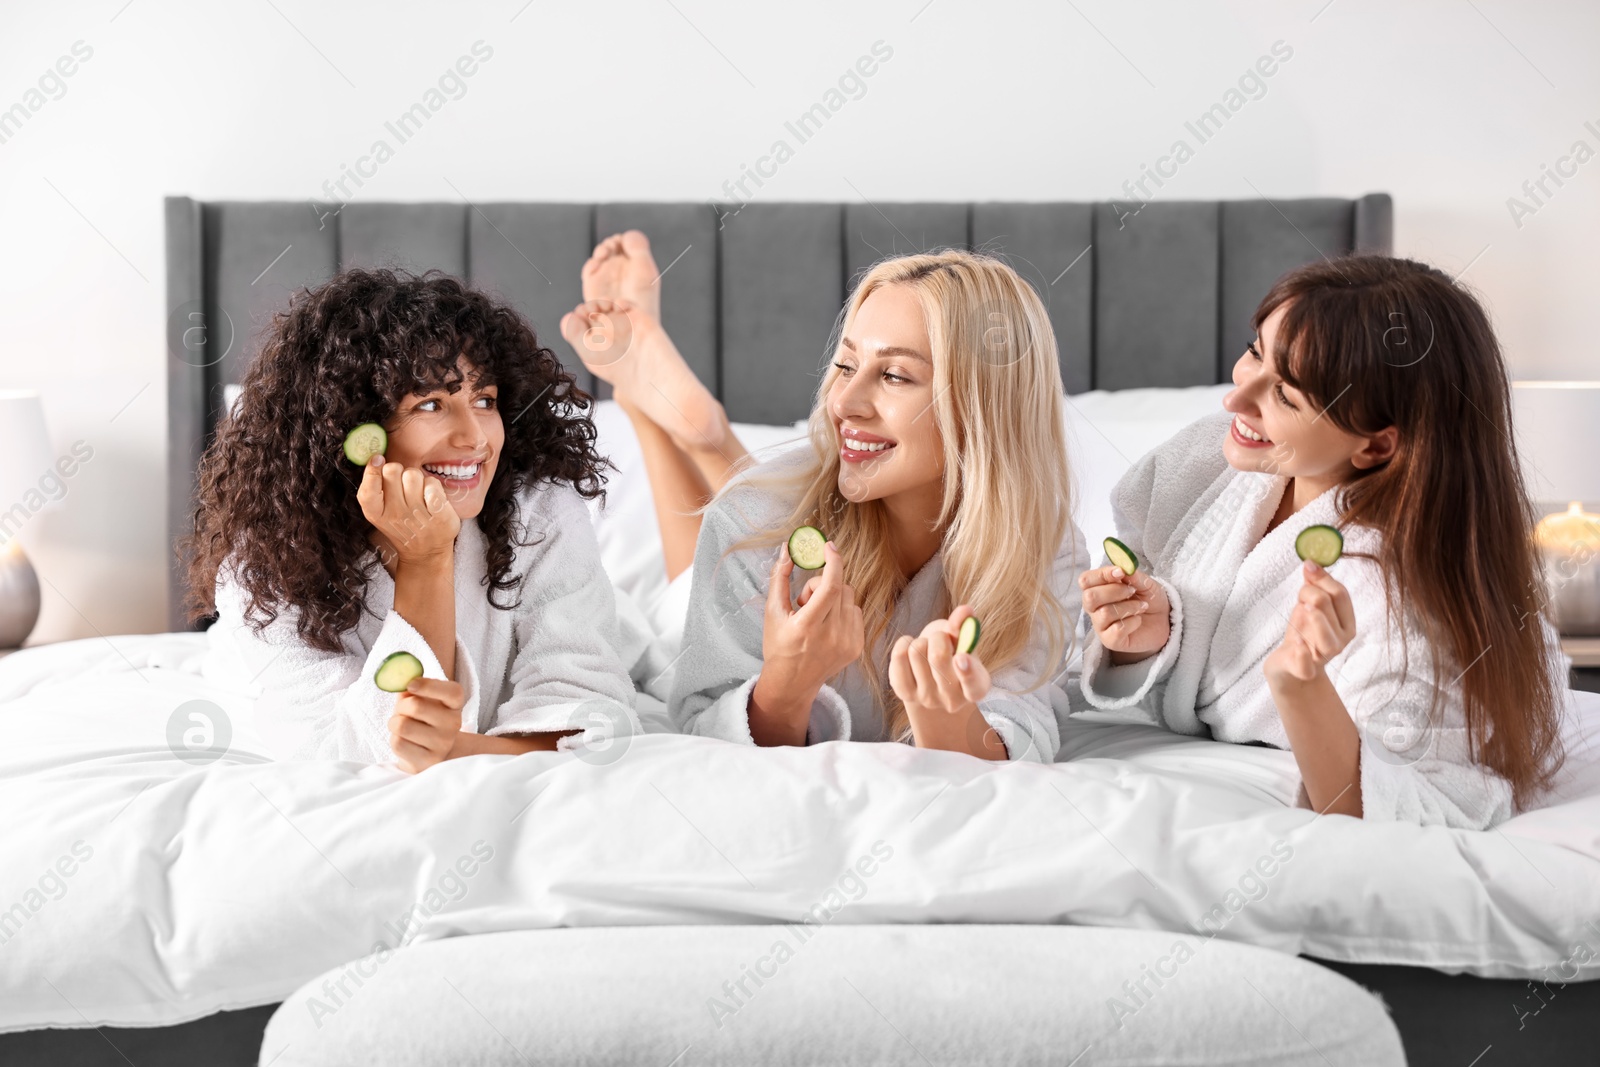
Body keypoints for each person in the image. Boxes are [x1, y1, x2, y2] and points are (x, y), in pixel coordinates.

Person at [1075, 254, 1567, 828]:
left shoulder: (1402, 595)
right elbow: (1144, 656)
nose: (1236, 399)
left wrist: (1301, 686)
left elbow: (1417, 807)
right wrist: (1147, 638)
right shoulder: (1198, 465)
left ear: (1377, 446)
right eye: (1255, 352)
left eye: (1285, 396)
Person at [560, 239, 1087, 762]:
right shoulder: (749, 519)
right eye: (845, 366)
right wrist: (784, 686)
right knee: (691, 587)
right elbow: (705, 726)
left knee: (754, 511)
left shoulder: (1044, 549)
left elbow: (1018, 731)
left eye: (895, 374)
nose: (844, 402)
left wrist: (946, 721)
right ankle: (651, 410)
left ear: (985, 406)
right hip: (729, 574)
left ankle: (677, 420)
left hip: (770, 513)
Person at [187, 268, 648, 772]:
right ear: (351, 424)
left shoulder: (539, 510)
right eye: (432, 404)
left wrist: (456, 751)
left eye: (484, 400)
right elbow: (336, 753)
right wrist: (425, 561)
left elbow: (593, 719)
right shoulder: (266, 563)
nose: (474, 437)